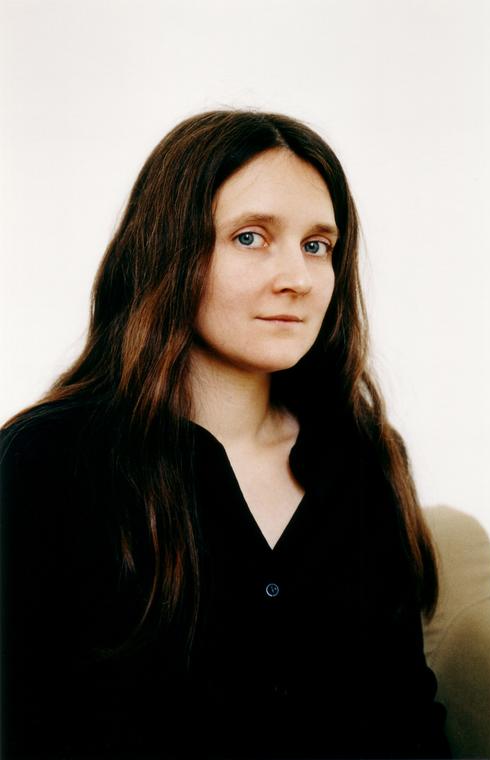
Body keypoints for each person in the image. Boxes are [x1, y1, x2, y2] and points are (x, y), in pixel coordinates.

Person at [0, 110, 450, 759]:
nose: (297, 278)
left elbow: (405, 715)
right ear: (168, 251)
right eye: (250, 237)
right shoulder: (45, 462)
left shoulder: (361, 455)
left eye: (317, 245)